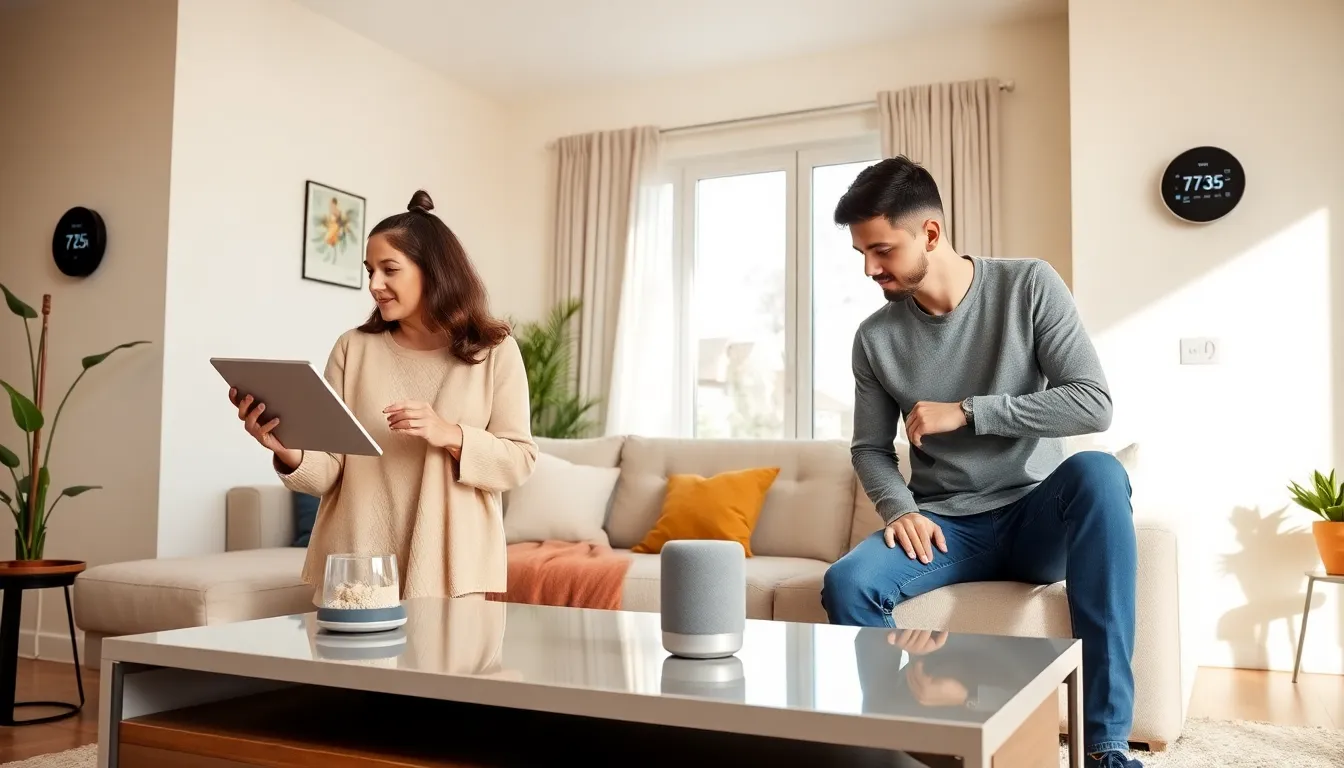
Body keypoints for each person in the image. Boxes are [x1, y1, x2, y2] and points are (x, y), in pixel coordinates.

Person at [820, 157, 1141, 768]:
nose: (870, 269)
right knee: (847, 584)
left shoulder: (1028, 286)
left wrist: (968, 412)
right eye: (862, 253)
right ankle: (898, 746)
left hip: (1036, 513)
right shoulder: (874, 338)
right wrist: (900, 508)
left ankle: (1107, 747)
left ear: (931, 234)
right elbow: (867, 447)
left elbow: (1093, 403)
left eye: (882, 250)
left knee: (1100, 473)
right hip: (947, 528)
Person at [228, 190, 537, 603]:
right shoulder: (352, 348)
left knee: (441, 668)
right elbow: (329, 471)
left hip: (451, 566)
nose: (374, 284)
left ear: (433, 271)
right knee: (347, 668)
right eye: (370, 270)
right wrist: (286, 449)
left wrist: (450, 434)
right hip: (356, 562)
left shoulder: (494, 351)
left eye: (389, 269)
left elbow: (519, 461)